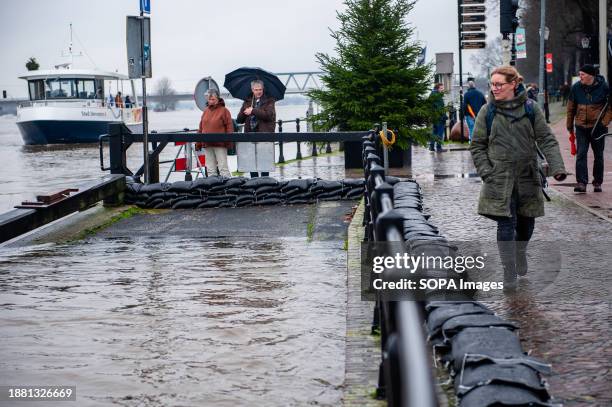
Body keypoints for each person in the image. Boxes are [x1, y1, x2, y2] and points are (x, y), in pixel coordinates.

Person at [469, 66, 567, 290]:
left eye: (499, 84)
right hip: (499, 178)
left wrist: (557, 168)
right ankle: (509, 272)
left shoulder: (531, 109)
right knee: (505, 225)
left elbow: (546, 139)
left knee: (525, 225)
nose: (494, 89)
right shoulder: (487, 111)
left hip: (527, 176)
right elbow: (477, 146)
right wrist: (487, 172)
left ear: (513, 84)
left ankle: (520, 250)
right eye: (492, 85)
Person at [566, 64, 611, 193]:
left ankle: (597, 182)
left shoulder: (604, 87)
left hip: (598, 128)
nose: (580, 77)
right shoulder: (576, 88)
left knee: (598, 156)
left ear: (591, 75)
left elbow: (610, 108)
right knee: (581, 154)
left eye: (583, 75)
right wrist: (569, 126)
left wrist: (604, 122)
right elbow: (570, 108)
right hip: (581, 127)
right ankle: (581, 183)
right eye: (580, 74)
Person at [237, 80, 276, 177]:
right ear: (252, 90)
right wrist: (245, 111)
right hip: (250, 135)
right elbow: (239, 120)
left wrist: (253, 110)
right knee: (251, 162)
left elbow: (268, 115)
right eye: (256, 90)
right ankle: (254, 183)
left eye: (260, 89)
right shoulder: (247, 101)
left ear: (263, 89)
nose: (258, 92)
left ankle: (265, 182)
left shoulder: (269, 101)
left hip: (264, 135)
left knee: (264, 162)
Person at [196, 89, 233, 178]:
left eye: (213, 99)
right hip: (207, 144)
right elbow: (201, 128)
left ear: (218, 98)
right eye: (209, 99)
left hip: (220, 143)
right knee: (210, 169)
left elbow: (229, 127)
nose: (211, 101)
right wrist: (198, 142)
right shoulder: (205, 111)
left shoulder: (224, 111)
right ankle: (213, 187)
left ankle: (227, 187)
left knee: (223, 168)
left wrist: (229, 141)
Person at [463, 78, 487, 142]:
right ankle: (479, 141)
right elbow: (485, 104)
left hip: (469, 115)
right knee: (480, 129)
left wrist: (464, 114)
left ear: (468, 86)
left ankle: (472, 142)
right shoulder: (480, 94)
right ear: (474, 86)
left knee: (471, 128)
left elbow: (465, 105)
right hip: (479, 114)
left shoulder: (466, 94)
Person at [429, 83, 446, 152]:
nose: (442, 90)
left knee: (434, 132)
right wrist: (444, 116)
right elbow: (440, 108)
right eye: (441, 88)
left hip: (434, 116)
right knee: (440, 132)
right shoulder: (437, 96)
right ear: (437, 88)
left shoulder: (432, 94)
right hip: (439, 117)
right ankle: (439, 147)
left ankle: (431, 146)